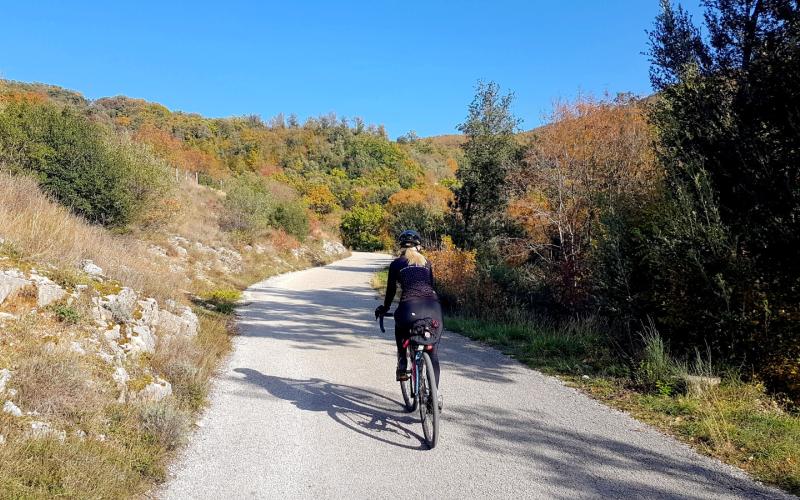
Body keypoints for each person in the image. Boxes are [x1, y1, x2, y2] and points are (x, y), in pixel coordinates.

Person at [375, 230, 443, 386]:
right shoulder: (427, 262)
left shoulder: (396, 263)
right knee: (433, 354)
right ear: (418, 247)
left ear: (401, 248)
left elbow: (391, 290)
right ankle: (433, 398)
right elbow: (431, 286)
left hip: (409, 307)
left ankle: (402, 363)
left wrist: (385, 309)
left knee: (400, 327)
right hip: (433, 306)